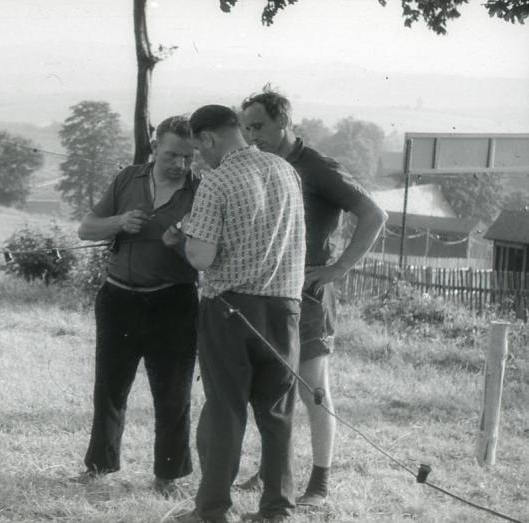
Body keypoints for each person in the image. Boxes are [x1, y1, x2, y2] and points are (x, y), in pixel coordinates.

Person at [235, 86, 387, 507]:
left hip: (309, 295)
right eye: (246, 128)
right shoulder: (257, 164)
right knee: (268, 386)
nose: (252, 136)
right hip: (265, 291)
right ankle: (270, 470)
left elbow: (375, 214)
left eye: (260, 126)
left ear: (284, 121)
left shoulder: (316, 166)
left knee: (312, 387)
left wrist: (338, 269)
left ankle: (319, 483)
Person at [175, 104, 306, 523]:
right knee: (278, 414)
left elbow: (200, 256)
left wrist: (181, 237)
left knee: (226, 410)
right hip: (285, 308)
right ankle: (278, 509)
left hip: (230, 308)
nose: (199, 158)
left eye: (198, 149)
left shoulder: (216, 181)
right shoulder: (287, 172)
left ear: (208, 138)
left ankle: (212, 510)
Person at [75, 115, 200, 496]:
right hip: (118, 298)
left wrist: (179, 243)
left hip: (173, 301)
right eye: (172, 155)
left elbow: (208, 258)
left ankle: (168, 477)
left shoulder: (203, 190)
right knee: (110, 387)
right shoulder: (127, 179)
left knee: (173, 392)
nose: (180, 164)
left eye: (188, 156)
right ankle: (99, 467)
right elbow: (86, 228)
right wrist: (119, 221)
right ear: (154, 149)